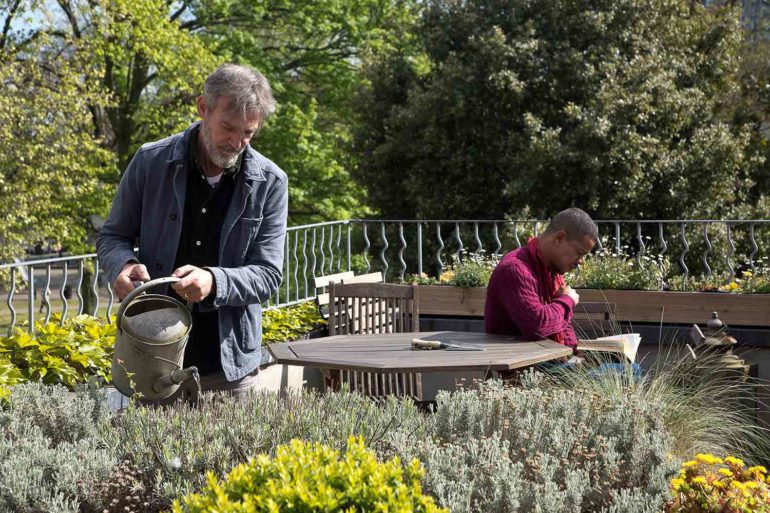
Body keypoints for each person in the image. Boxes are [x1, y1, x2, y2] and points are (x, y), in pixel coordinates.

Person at [97, 64, 288, 400]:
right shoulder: (150, 162)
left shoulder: (271, 182)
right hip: (152, 361)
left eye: (248, 133)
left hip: (230, 370)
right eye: (228, 127)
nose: (237, 142)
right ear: (203, 108)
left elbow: (269, 275)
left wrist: (215, 281)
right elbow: (112, 236)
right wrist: (123, 265)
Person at [484, 207, 598, 350]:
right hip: (518, 362)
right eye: (580, 252)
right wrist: (566, 301)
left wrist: (575, 352)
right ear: (560, 238)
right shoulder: (515, 269)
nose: (582, 261)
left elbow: (561, 323)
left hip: (546, 357)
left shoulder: (552, 272)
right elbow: (537, 327)